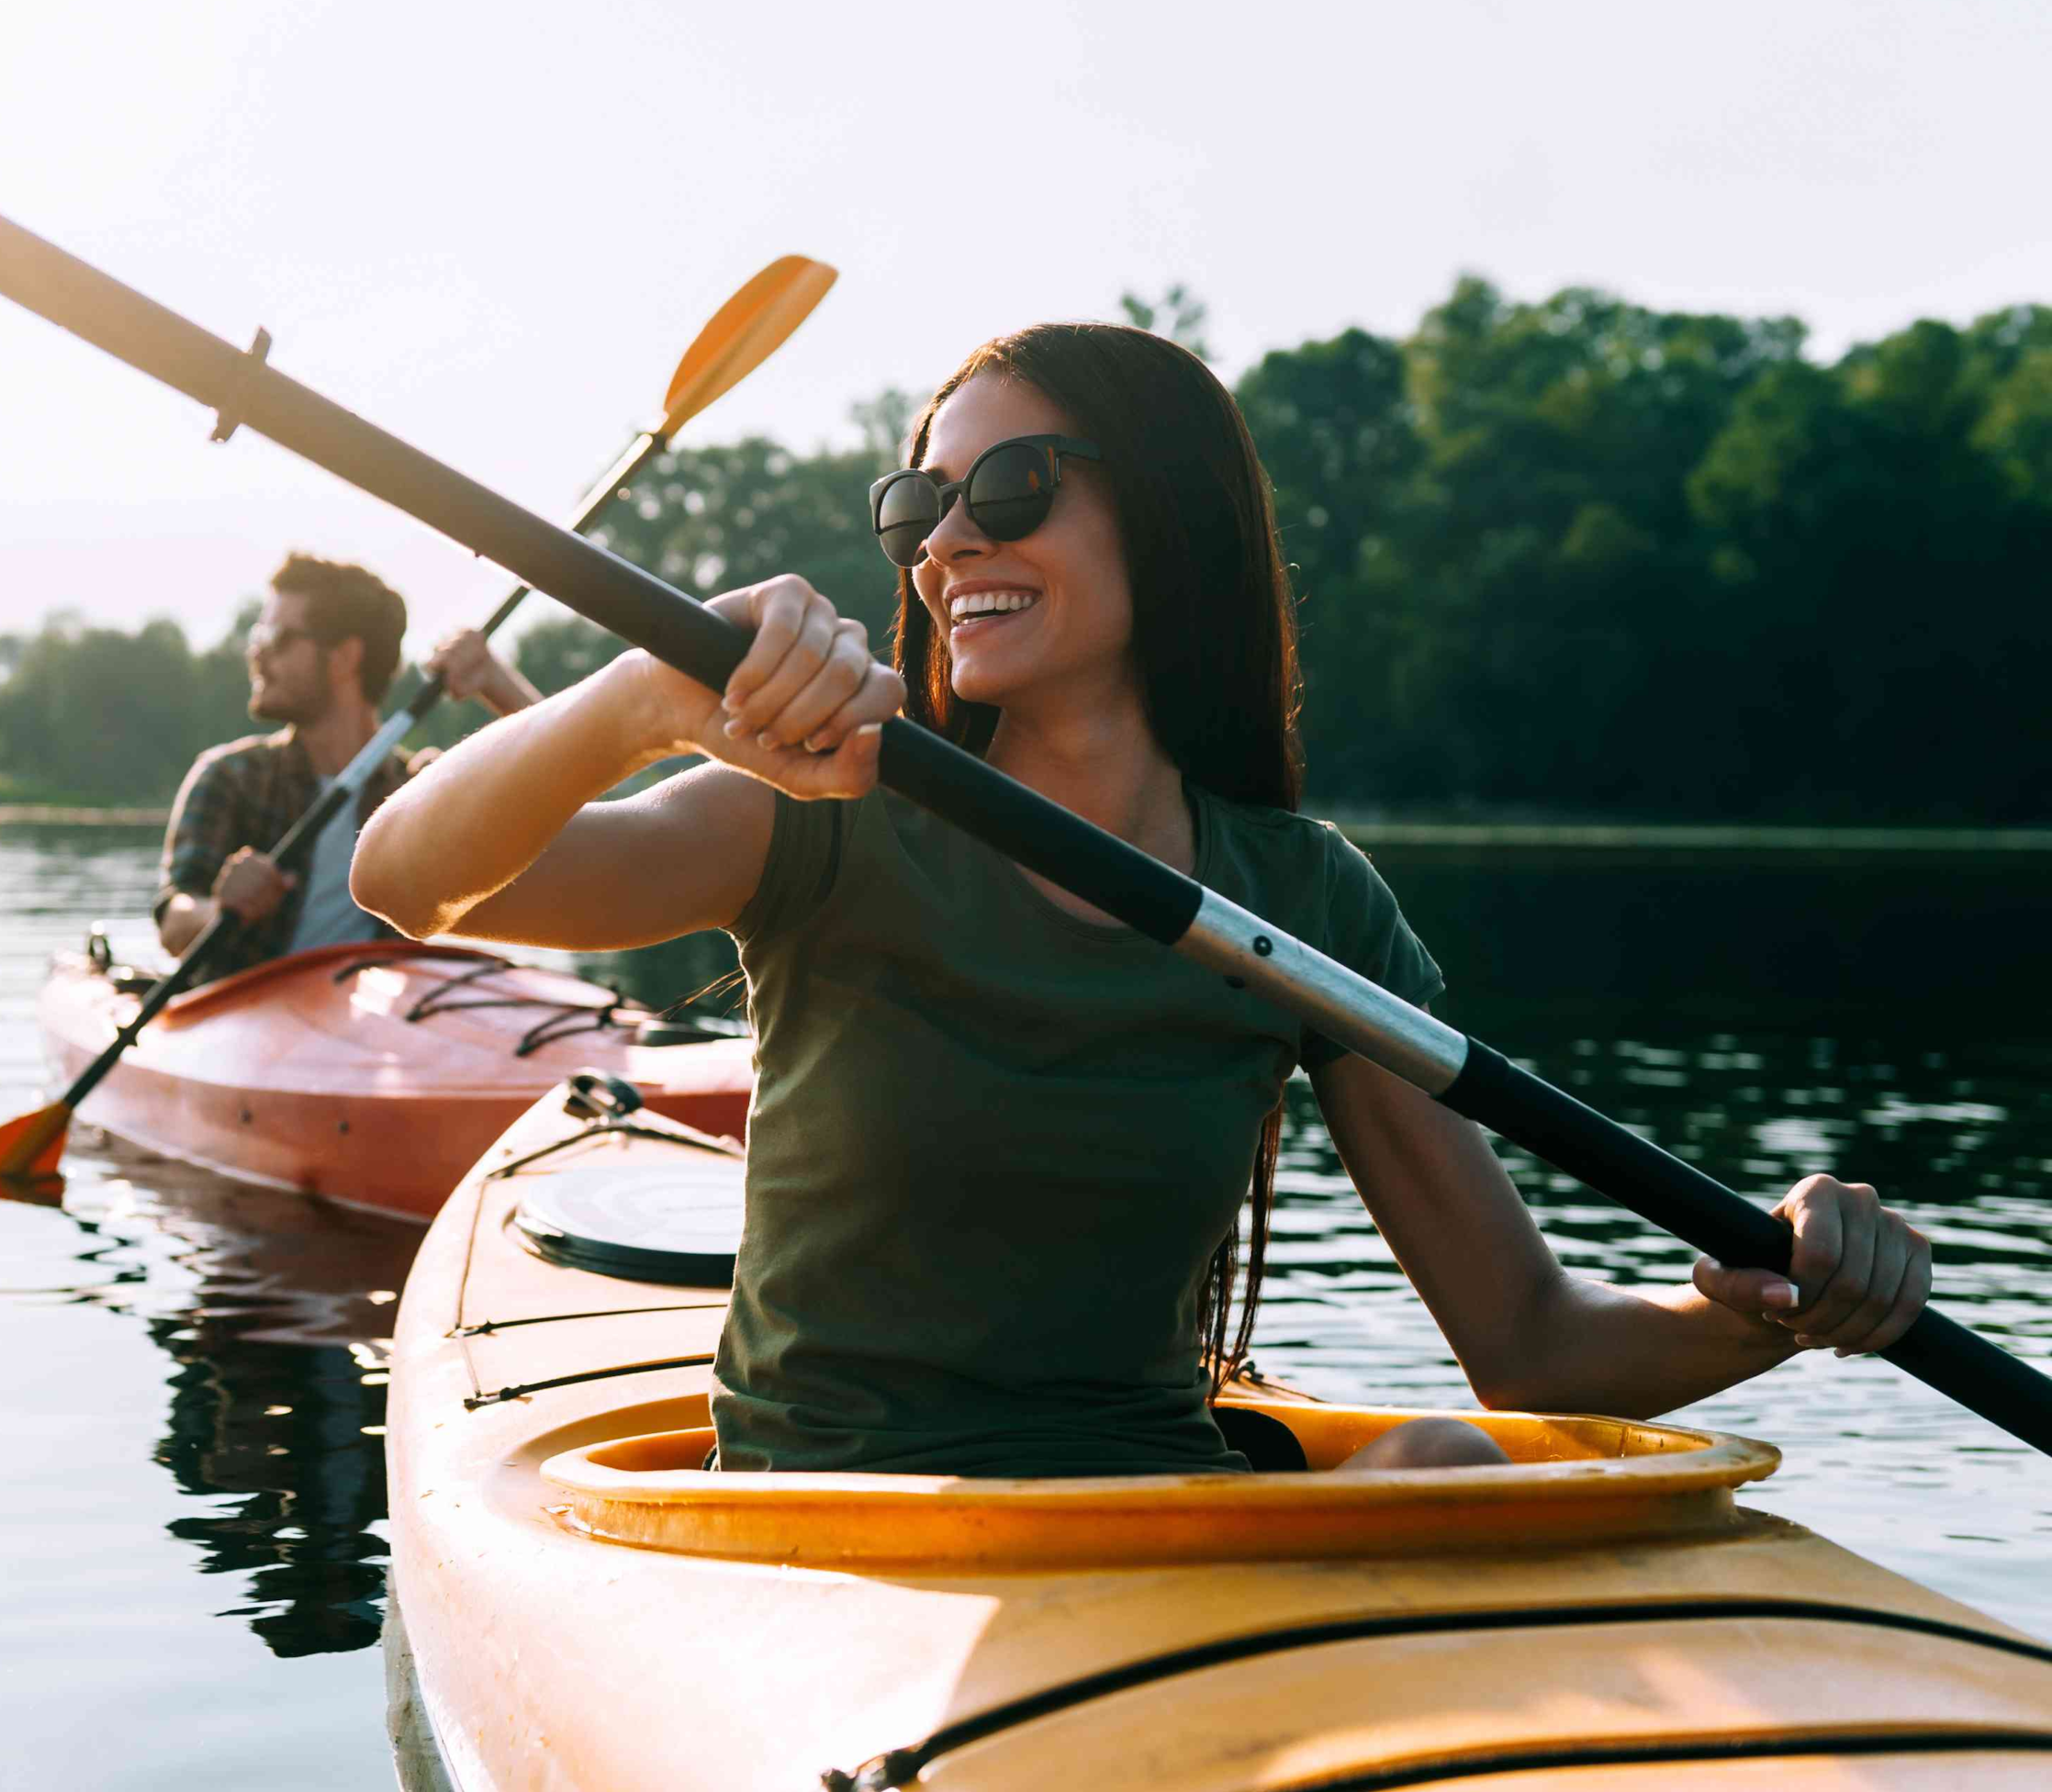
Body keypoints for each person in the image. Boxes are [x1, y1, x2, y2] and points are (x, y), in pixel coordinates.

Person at [351, 323, 1932, 1478]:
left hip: (1155, 1516)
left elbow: (1528, 1344)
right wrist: (641, 694)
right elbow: (406, 879)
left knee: (1444, 1457)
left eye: (1014, 486)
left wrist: (1776, 1300)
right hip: (826, 1530)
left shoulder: (1303, 903)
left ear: (1165, 516)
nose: (951, 539)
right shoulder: (825, 812)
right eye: (920, 511)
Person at [156, 551, 539, 981]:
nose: (257, 655)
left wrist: (496, 682)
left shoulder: (419, 790)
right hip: (240, 1020)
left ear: (344, 658)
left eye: (277, 638)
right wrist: (219, 909)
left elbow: (565, 790)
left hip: (371, 1028)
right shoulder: (229, 778)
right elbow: (174, 923)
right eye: (258, 635)